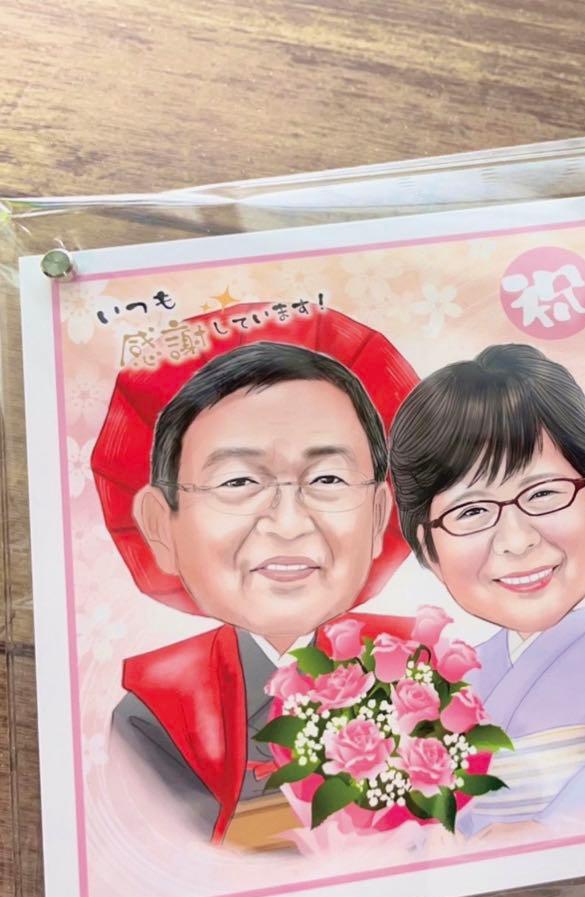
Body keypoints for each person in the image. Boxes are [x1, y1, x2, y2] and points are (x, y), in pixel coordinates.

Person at [98, 310, 418, 844]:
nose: (289, 524)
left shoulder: (424, 673)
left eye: (328, 479)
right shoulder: (156, 715)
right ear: (161, 526)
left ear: (380, 514)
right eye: (238, 481)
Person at [388, 343, 585, 834]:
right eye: (472, 511)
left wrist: (551, 829)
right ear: (427, 547)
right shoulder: (458, 680)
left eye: (543, 493)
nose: (517, 540)